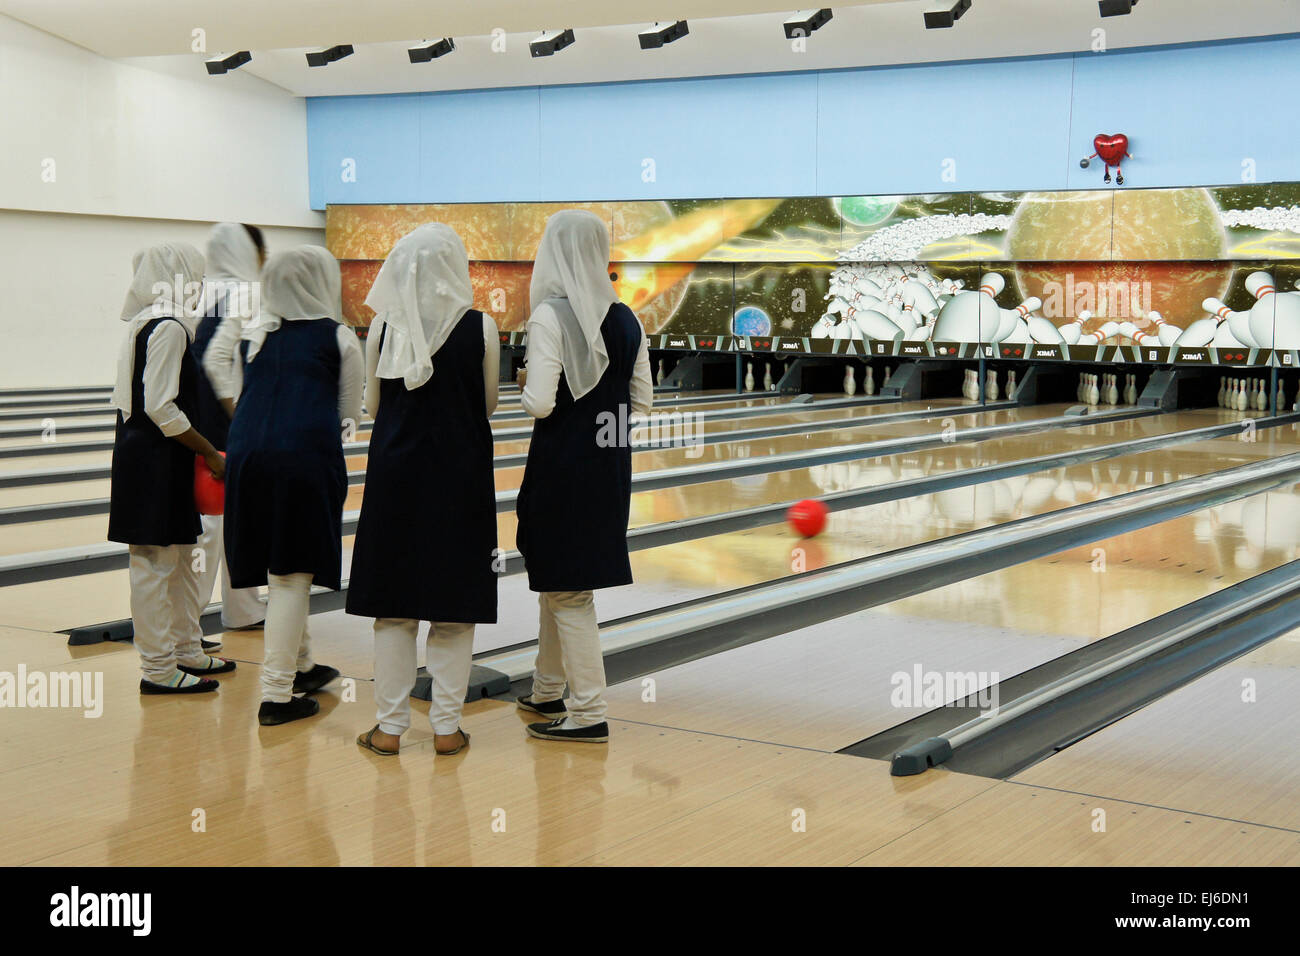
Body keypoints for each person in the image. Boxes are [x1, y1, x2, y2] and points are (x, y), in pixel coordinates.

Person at [347, 224, 500, 757]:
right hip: (460, 480)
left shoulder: (383, 329)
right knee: (454, 608)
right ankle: (446, 730)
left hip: (396, 480)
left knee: (394, 607)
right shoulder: (483, 327)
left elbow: (371, 407)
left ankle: (388, 730)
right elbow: (488, 404)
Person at [514, 210, 652, 743]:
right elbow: (641, 400)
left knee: (568, 590)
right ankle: (547, 688)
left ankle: (589, 710)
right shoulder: (627, 318)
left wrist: (526, 379)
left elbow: (541, 404)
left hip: (561, 465)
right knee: (560, 581)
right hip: (610, 463)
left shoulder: (549, 315)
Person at [223, 246, 363, 726]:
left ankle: (302, 666)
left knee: (281, 568)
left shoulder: (252, 336)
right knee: (291, 574)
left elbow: (242, 399)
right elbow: (348, 416)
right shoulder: (339, 337)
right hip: (304, 457)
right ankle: (277, 695)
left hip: (245, 456)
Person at [108, 242, 237, 694]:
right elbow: (160, 406)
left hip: (149, 454)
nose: (201, 287)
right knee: (155, 564)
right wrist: (209, 451)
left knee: (180, 559)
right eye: (196, 277)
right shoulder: (169, 327)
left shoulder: (145, 322)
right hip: (156, 460)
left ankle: (186, 649)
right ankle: (159, 669)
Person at [191, 223, 267, 645]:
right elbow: (224, 367)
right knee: (214, 530)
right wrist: (243, 421)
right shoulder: (244, 298)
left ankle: (243, 609)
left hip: (203, 430)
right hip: (224, 434)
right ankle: (190, 622)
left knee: (228, 526)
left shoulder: (205, 297)